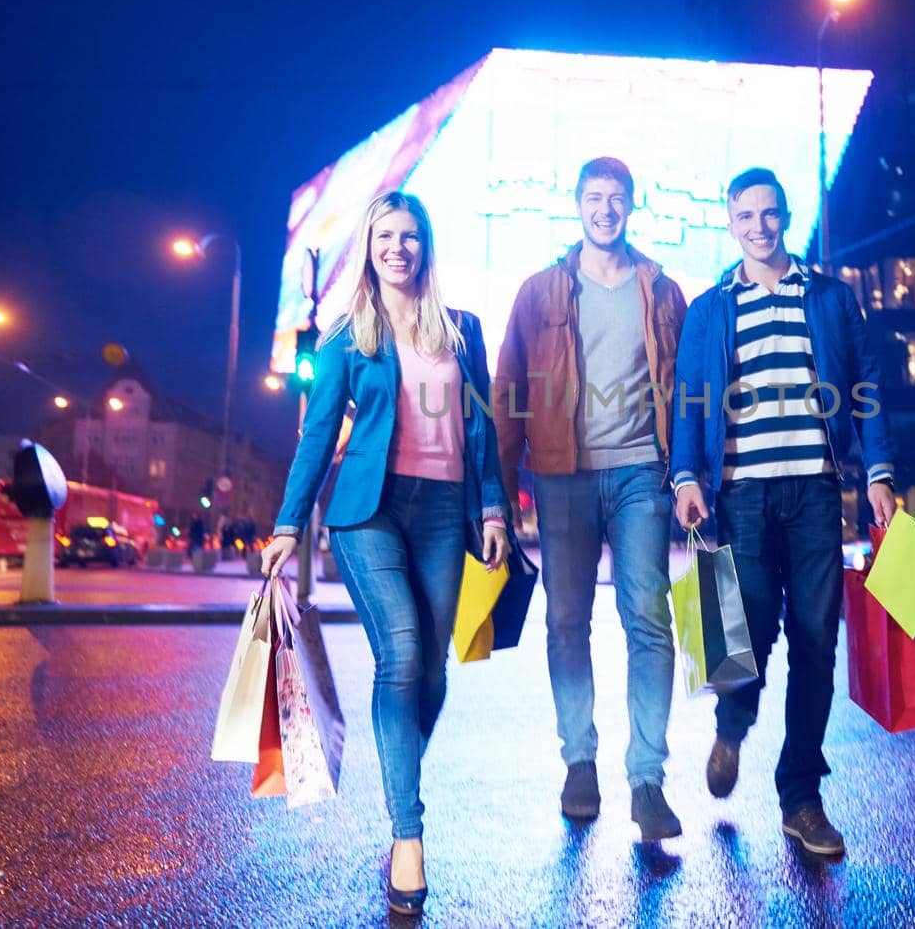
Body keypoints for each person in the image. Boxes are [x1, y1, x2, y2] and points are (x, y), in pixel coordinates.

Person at [262, 190, 510, 916]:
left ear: (424, 245)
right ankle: (409, 834)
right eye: (384, 237)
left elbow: (484, 429)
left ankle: (400, 774)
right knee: (400, 654)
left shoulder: (462, 331)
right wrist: (287, 524)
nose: (396, 247)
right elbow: (316, 439)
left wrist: (493, 506)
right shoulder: (347, 335)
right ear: (369, 249)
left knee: (431, 672)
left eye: (408, 236)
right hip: (368, 512)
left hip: (443, 514)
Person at [671, 167, 897, 857]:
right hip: (740, 494)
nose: (760, 226)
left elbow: (866, 385)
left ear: (787, 216)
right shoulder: (711, 308)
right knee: (749, 632)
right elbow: (688, 397)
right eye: (747, 216)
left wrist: (880, 470)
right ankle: (732, 724)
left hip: (814, 491)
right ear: (730, 221)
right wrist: (685, 476)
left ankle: (800, 796)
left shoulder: (829, 297)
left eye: (771, 214)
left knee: (816, 641)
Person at [494, 157, 689, 840]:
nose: (605, 208)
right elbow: (508, 390)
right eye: (594, 197)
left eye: (617, 198)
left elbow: (687, 389)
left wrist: (691, 474)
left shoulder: (661, 289)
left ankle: (648, 778)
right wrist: (496, 495)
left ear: (633, 206)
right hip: (562, 473)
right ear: (577, 205)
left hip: (642, 471)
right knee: (565, 621)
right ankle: (579, 760)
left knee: (648, 619)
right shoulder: (540, 291)